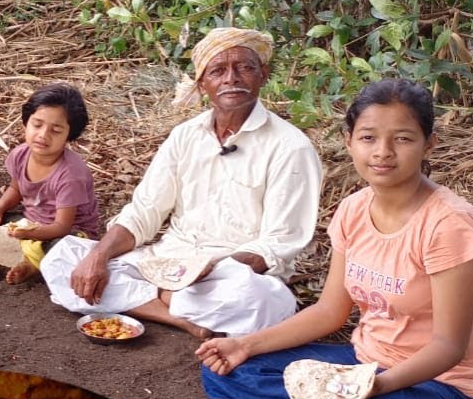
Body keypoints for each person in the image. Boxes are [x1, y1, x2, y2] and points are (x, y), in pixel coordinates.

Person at [197, 79, 473, 399]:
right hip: (363, 364)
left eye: (403, 139)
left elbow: (449, 347)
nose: (383, 152)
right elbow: (330, 311)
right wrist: (243, 344)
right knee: (230, 369)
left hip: (444, 389)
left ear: (429, 144)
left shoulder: (449, 225)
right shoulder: (353, 210)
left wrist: (374, 389)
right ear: (349, 141)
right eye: (369, 137)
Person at [40, 27, 323, 337]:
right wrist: (98, 257)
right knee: (62, 258)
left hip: (230, 274)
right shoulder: (185, 136)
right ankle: (178, 316)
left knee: (265, 301)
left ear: (263, 74)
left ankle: (151, 300)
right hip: (166, 262)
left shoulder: (291, 146)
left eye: (244, 67)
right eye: (218, 70)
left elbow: (279, 242)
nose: (232, 78)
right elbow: (145, 210)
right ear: (203, 84)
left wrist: (209, 268)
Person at [0, 83, 99, 283]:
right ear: (26, 122)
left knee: (66, 247)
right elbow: (16, 188)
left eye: (56, 130)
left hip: (66, 233)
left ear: (69, 135)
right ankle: (12, 251)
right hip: (28, 223)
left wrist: (31, 233)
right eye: (37, 125)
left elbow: (62, 226)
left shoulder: (71, 175)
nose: (43, 135)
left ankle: (29, 262)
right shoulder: (20, 154)